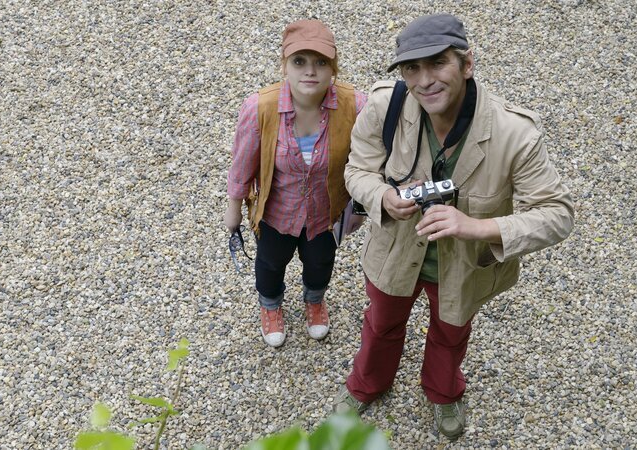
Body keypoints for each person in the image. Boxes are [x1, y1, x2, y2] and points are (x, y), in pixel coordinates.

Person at [335, 14, 574, 439]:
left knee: (450, 333)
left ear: (467, 64)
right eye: (412, 69)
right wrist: (383, 197)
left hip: (464, 265)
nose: (424, 81)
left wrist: (475, 227)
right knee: (381, 324)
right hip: (394, 252)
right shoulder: (385, 106)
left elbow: (557, 214)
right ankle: (367, 385)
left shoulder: (514, 134)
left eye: (437, 63)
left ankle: (444, 392)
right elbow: (357, 170)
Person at [224, 19, 367, 348]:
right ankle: (271, 306)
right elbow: (242, 163)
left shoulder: (355, 106)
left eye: (321, 63)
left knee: (320, 262)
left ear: (333, 68)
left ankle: (314, 300)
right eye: (299, 61)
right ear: (284, 66)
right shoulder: (260, 107)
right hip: (277, 214)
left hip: (327, 212)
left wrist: (359, 207)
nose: (310, 71)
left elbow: (368, 163)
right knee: (270, 263)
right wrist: (233, 208)